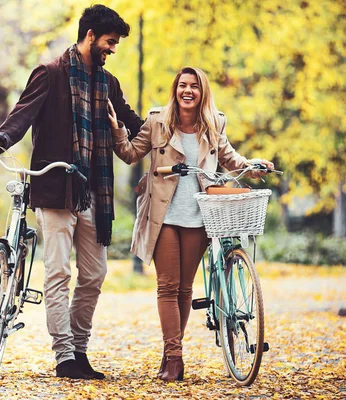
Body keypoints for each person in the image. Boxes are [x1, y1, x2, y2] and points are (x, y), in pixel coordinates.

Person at [0, 5, 142, 380]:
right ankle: (65, 357)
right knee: (58, 271)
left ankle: (80, 349)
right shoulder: (50, 73)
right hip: (55, 187)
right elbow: (21, 116)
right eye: (110, 42)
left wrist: (177, 129)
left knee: (94, 274)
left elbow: (135, 123)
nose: (113, 50)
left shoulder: (108, 84)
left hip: (95, 190)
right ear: (91, 35)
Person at [107, 66, 273, 382]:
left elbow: (230, 159)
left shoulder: (214, 124)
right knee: (167, 286)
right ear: (176, 89)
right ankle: (175, 359)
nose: (188, 91)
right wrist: (117, 129)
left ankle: (172, 350)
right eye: (182, 85)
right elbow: (129, 154)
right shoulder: (157, 122)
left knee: (185, 288)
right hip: (164, 214)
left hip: (199, 215)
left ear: (202, 92)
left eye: (194, 86)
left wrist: (252, 166)